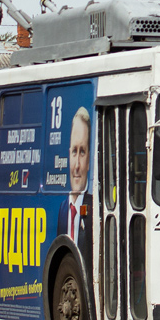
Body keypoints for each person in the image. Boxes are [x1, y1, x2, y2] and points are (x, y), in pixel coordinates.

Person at [58, 107, 93, 269]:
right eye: (74, 152)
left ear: (89, 160)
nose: (77, 165)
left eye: (82, 152)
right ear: (68, 155)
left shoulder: (95, 210)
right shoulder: (63, 210)